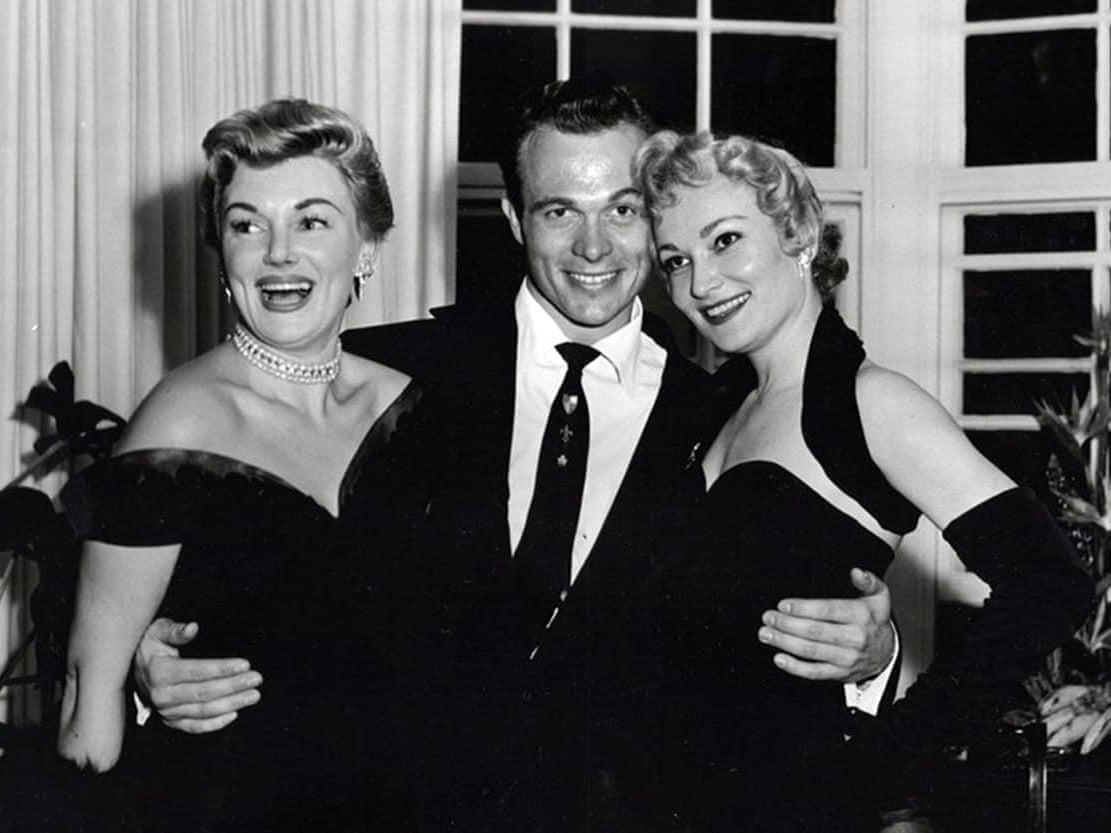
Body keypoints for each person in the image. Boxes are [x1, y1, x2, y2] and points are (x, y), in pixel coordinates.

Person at [131, 75, 898, 831]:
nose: (593, 246)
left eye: (623, 210)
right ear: (512, 217)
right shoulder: (377, 375)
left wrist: (872, 658)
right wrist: (145, 664)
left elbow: (754, 661)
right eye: (559, 210)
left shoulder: (726, 418)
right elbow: (204, 573)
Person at [634, 129, 1095, 831]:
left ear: (798, 235)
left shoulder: (867, 402)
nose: (700, 283)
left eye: (725, 240)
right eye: (676, 260)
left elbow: (1049, 582)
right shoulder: (720, 405)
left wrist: (894, 750)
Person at [56, 98, 422, 831]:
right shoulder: (180, 421)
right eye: (247, 225)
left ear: (367, 247)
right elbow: (86, 709)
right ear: (222, 256)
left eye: (311, 222)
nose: (277, 253)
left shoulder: (414, 406)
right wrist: (140, 677)